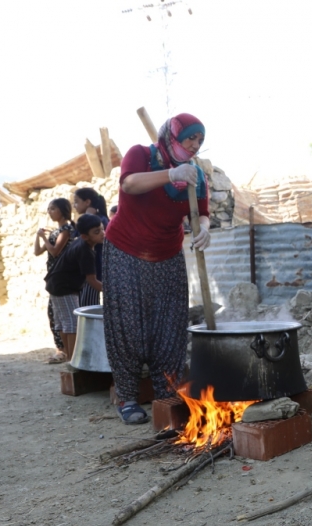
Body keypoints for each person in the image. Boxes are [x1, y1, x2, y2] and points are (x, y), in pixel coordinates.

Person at [102, 113, 211, 425]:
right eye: (190, 137)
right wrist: (171, 173)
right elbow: (130, 184)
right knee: (128, 326)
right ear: (172, 136)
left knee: (170, 326)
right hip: (125, 251)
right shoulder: (142, 155)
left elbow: (200, 213)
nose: (195, 144)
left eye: (200, 140)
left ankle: (167, 393)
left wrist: (204, 228)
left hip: (167, 254)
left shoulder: (196, 175)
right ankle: (127, 396)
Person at [44, 215, 105, 361]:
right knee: (72, 324)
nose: (102, 233)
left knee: (63, 322)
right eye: (97, 232)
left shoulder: (81, 244)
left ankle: (68, 356)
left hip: (55, 284)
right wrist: (114, 291)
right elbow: (92, 281)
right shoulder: (86, 251)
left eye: (102, 229)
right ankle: (73, 359)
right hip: (64, 288)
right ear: (84, 236)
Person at [34, 198, 77, 364]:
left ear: (62, 210)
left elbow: (55, 252)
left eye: (53, 209)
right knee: (55, 316)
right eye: (49, 209)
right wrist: (39, 237)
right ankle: (64, 351)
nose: (49, 212)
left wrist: (45, 238)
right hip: (54, 278)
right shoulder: (55, 232)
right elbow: (37, 251)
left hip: (63, 278)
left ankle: (68, 354)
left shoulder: (66, 229)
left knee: (67, 319)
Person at [73, 188, 110, 307]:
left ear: (87, 202)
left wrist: (87, 216)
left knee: (87, 309)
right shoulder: (92, 219)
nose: (74, 206)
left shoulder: (98, 221)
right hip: (86, 272)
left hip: (92, 272)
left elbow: (79, 240)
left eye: (77, 201)